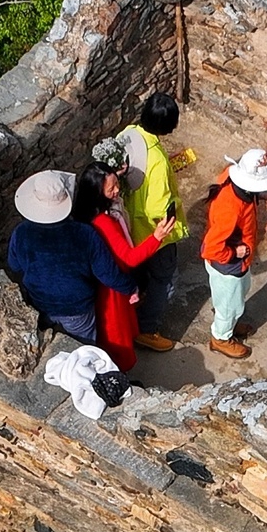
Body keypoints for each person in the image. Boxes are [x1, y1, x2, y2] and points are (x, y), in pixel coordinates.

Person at [73, 146, 176, 372]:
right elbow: (129, 258)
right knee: (116, 333)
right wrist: (157, 237)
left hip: (105, 282)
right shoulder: (104, 223)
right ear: (97, 192)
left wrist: (115, 175)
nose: (117, 190)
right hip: (112, 291)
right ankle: (120, 372)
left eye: (117, 184)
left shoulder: (88, 214)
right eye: (111, 188)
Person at [6, 168, 138, 342]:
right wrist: (131, 288)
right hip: (77, 310)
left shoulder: (21, 232)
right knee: (83, 350)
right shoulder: (84, 233)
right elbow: (107, 273)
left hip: (39, 304)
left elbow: (14, 266)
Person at [117, 92, 188, 351]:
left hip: (128, 227)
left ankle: (134, 309)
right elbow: (159, 207)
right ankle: (146, 329)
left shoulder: (128, 133)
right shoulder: (156, 159)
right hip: (153, 234)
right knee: (164, 281)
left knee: (138, 274)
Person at [201, 148, 267, 360]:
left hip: (237, 262)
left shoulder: (233, 177)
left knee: (237, 293)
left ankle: (229, 322)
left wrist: (263, 194)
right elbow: (212, 248)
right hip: (227, 264)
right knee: (230, 305)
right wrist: (233, 252)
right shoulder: (230, 209)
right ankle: (221, 338)